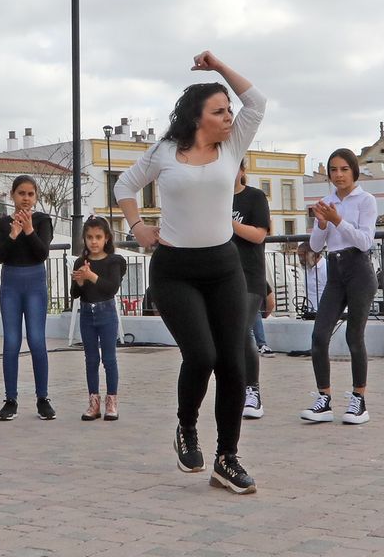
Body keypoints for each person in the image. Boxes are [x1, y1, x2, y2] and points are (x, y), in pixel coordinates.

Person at [117, 50, 264, 495]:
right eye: (219, 111)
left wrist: (220, 67)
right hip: (175, 271)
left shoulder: (233, 145)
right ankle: (186, 429)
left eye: (228, 111)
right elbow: (125, 186)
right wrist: (140, 227)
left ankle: (228, 458)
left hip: (224, 268)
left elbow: (257, 103)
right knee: (201, 356)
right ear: (198, 116)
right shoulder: (164, 151)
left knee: (234, 364)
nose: (228, 117)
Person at [299, 149, 379, 425]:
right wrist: (321, 224)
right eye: (333, 170)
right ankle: (324, 399)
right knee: (319, 336)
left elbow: (365, 241)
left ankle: (359, 399)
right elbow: (314, 246)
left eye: (344, 169)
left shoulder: (365, 200)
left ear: (354, 170)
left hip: (358, 270)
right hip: (334, 271)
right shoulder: (327, 202)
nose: (338, 175)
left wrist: (337, 221)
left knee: (354, 337)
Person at [0, 175, 55, 421]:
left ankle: (43, 398)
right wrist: (14, 233)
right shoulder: (2, 223)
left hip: (35, 283)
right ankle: (11, 399)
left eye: (30, 194)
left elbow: (42, 253)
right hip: (11, 284)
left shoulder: (42, 221)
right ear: (12, 196)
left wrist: (28, 230)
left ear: (36, 197)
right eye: (21, 193)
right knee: (11, 341)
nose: (25, 198)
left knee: (37, 340)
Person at [71, 216, 125, 421]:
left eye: (98, 237)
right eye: (89, 237)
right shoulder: (80, 261)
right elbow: (75, 293)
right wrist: (81, 281)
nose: (94, 241)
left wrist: (91, 276)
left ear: (107, 239)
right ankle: (93, 402)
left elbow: (111, 288)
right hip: (86, 313)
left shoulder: (114, 261)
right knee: (91, 359)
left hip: (106, 312)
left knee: (109, 359)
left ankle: (111, 400)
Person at [232, 162, 271, 420]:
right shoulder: (211, 198)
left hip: (250, 277)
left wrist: (227, 222)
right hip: (222, 276)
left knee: (242, 329)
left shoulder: (254, 197)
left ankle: (252, 390)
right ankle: (235, 389)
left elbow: (259, 235)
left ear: (242, 171)